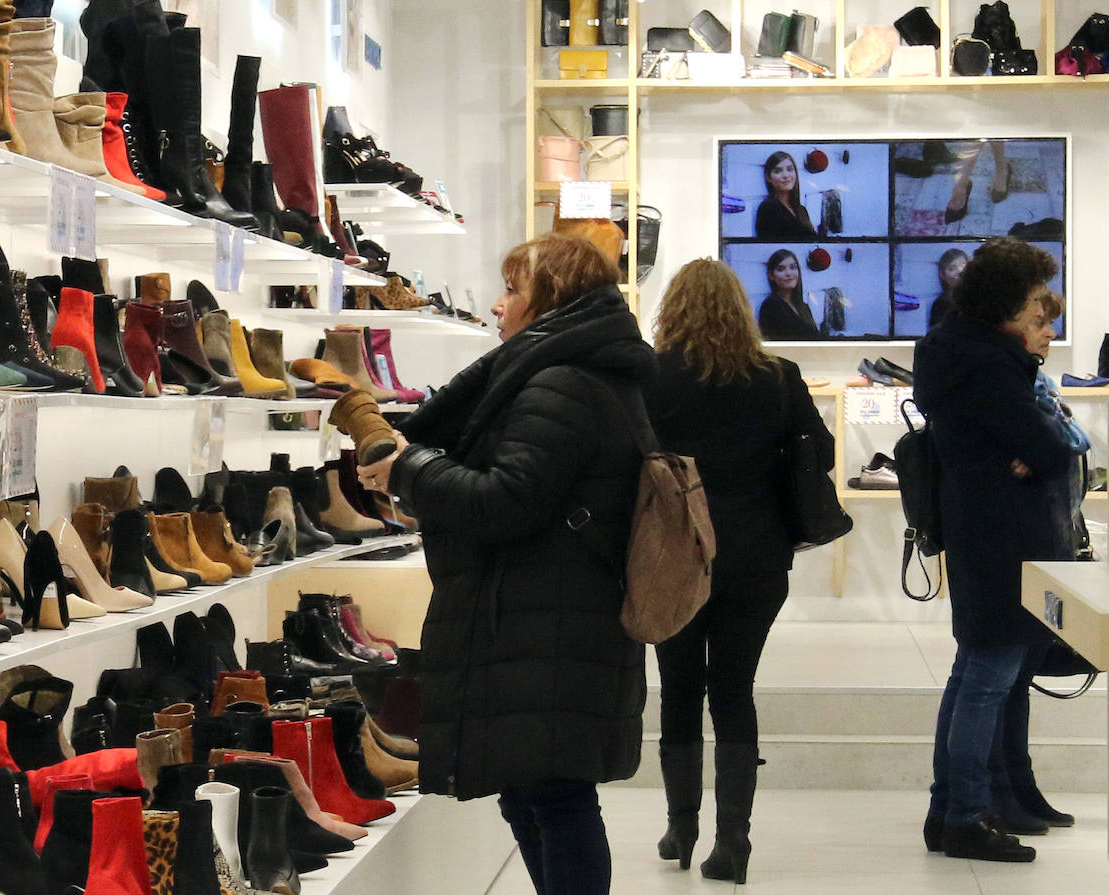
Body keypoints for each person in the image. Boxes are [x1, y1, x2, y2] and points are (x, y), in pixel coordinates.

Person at [355, 233, 650, 895]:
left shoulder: (563, 383)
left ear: (551, 299)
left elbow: (502, 502)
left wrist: (410, 466)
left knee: (553, 796)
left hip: (548, 622)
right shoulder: (574, 372)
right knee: (532, 792)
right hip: (545, 616)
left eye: (513, 289)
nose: (497, 303)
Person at [646, 258, 831, 884]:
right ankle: (733, 843)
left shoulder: (652, 377)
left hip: (675, 552)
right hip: (756, 553)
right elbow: (820, 452)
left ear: (671, 310)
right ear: (740, 310)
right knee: (733, 691)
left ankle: (681, 824)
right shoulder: (777, 377)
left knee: (678, 685)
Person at [914, 237, 1073, 863]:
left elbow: (1032, 450)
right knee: (985, 679)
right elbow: (1053, 452)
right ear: (1007, 307)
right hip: (1001, 539)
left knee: (973, 675)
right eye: (1037, 309)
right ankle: (961, 815)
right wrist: (1031, 455)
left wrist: (1027, 454)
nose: (1045, 323)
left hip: (981, 533)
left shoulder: (954, 351)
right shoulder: (987, 363)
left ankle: (948, 810)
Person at [986, 287, 1086, 836]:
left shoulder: (1037, 384)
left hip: (1050, 539)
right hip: (1021, 545)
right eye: (1041, 322)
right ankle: (1004, 789)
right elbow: (1064, 440)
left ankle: (1020, 783)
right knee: (1007, 674)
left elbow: (1071, 438)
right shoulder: (1015, 386)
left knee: (1021, 672)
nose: (1050, 332)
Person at [756, 249, 820, 340]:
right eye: (781, 269)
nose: (788, 273)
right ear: (771, 275)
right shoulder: (770, 306)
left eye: (793, 267)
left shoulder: (803, 306)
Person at [754, 151, 816, 239]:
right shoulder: (768, 209)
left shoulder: (801, 210)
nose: (786, 175)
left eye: (790, 169)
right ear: (768, 177)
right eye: (778, 171)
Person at [928, 248, 969, 330]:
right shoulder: (941, 304)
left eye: (964, 266)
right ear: (942, 275)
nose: (960, 271)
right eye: (952, 269)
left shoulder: (979, 300)